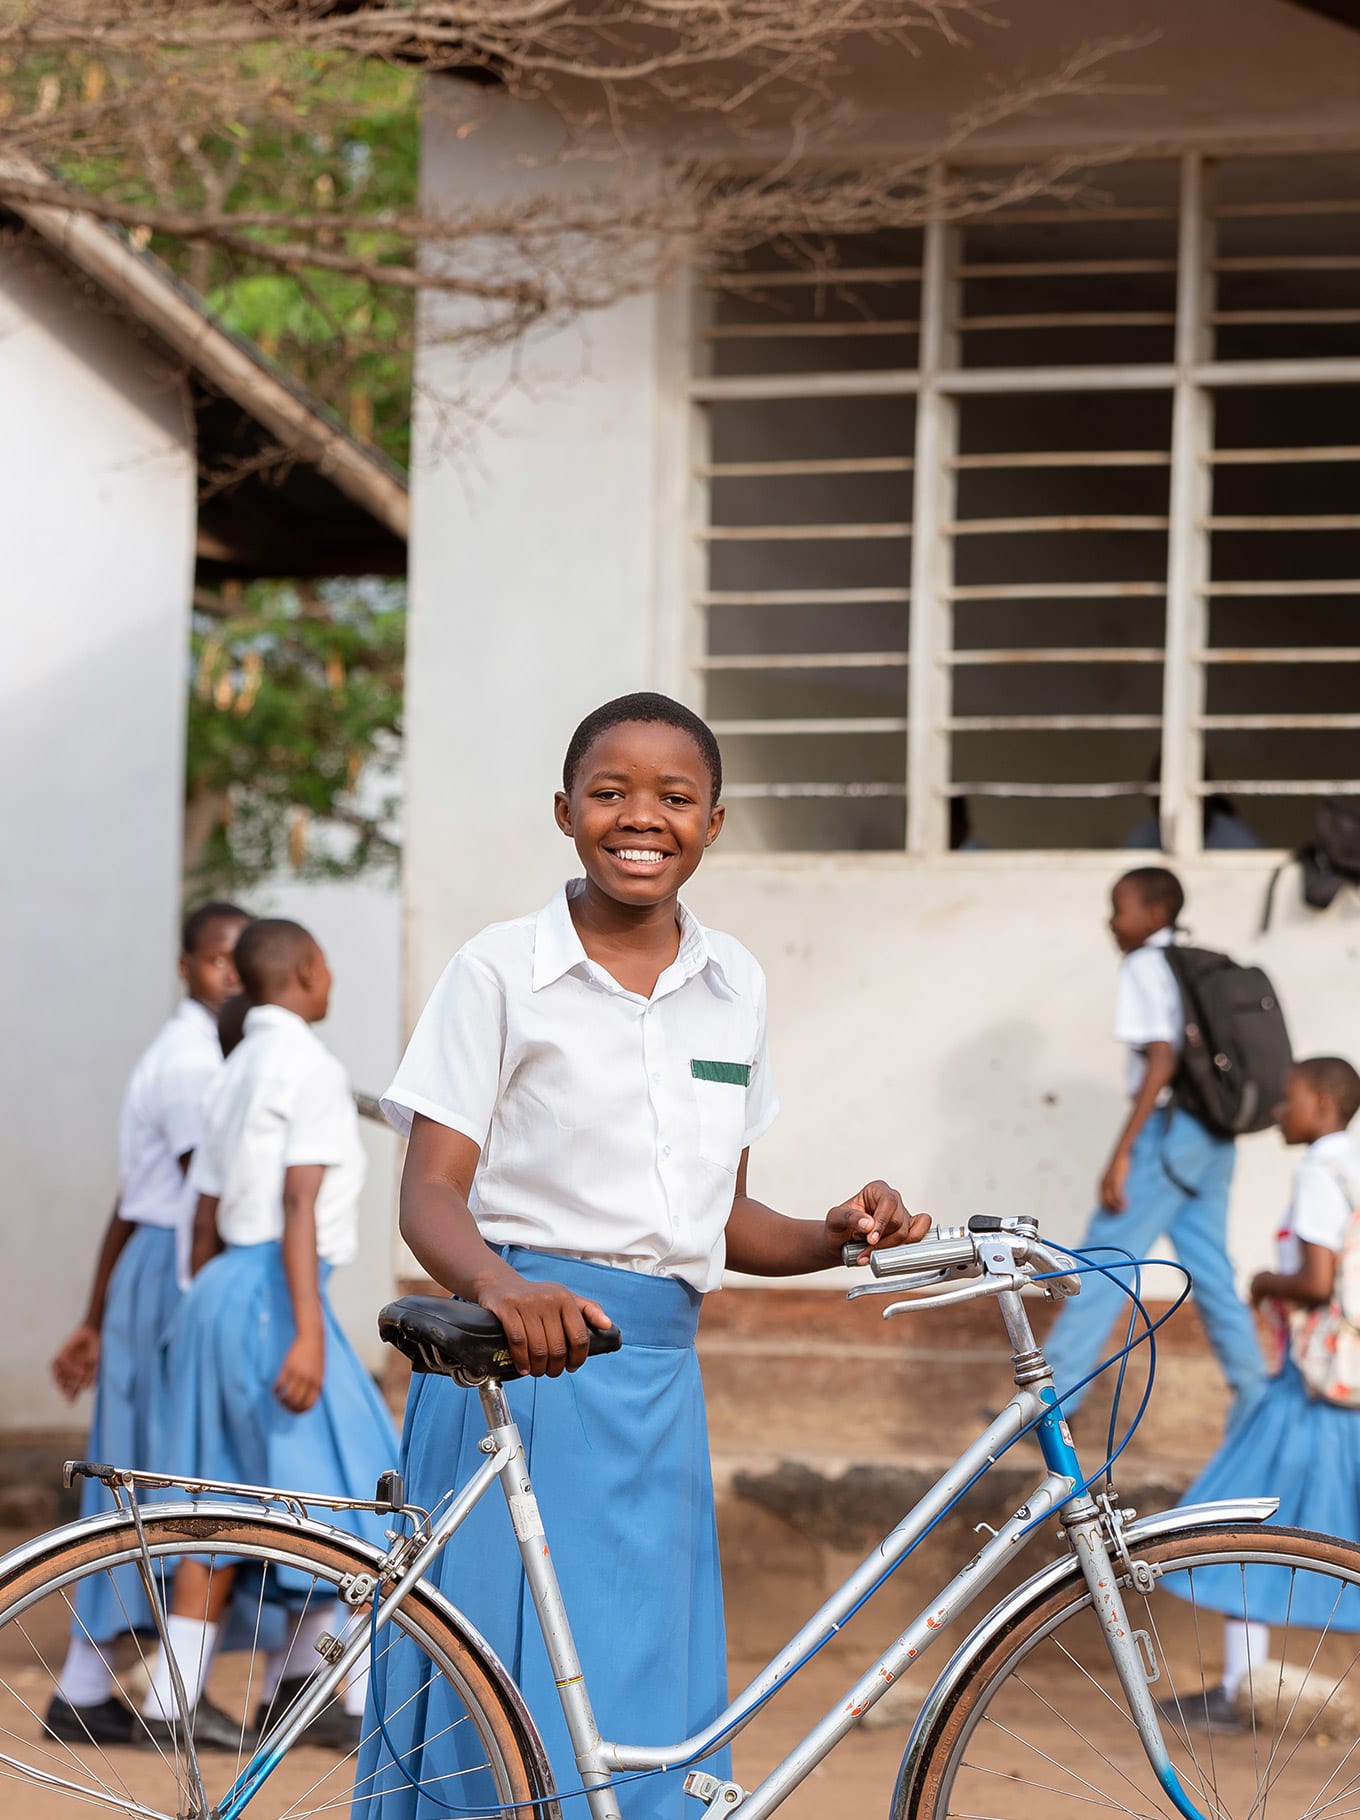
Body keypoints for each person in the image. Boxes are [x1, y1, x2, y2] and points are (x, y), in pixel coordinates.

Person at [354, 691, 927, 1820]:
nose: (641, 817)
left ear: (715, 820)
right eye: (610, 791)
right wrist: (500, 1284)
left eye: (674, 796)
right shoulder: (498, 968)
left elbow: (724, 1220)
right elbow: (428, 1190)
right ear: (564, 810)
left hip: (657, 1386)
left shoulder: (735, 984)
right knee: (501, 1715)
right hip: (520, 1362)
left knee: (637, 1713)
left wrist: (836, 1231)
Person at [139, 918, 398, 1751]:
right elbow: (297, 1207)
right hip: (276, 1296)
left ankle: (181, 1698)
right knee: (360, 1491)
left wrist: (199, 1311)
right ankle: (347, 1693)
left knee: (217, 1498)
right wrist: (308, 1334)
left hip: (217, 1291)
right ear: (311, 972)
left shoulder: (237, 1064)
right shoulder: (310, 1065)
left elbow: (205, 1212)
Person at [43, 900, 250, 1747]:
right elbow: (206, 1198)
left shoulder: (205, 1054)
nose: (231, 978)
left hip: (153, 1270)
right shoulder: (192, 1064)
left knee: (151, 1470)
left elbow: (128, 1204)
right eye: (217, 964)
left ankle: (91, 1687)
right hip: (177, 1273)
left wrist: (92, 1317)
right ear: (186, 967)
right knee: (169, 1474)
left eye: (245, 965)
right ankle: (113, 1686)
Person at [1160, 1055, 1360, 1729]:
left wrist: (1263, 1285)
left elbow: (1315, 1280)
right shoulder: (1353, 1164)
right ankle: (1242, 1685)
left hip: (1313, 1390)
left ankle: (1242, 1687)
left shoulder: (1319, 1175)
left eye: (1288, 1099)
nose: (1277, 1111)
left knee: (1240, 1519)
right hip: (1340, 1383)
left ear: (1324, 1107)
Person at [1043, 867, 1266, 1426]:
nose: (1111, 922)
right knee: (1211, 1269)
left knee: (1104, 1261)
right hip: (1213, 1136)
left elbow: (1162, 1058)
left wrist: (1122, 1151)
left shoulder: (1145, 964)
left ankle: (1049, 1406)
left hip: (1172, 1134)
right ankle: (1257, 1397)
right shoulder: (1189, 964)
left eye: (1120, 909)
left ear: (1154, 914)